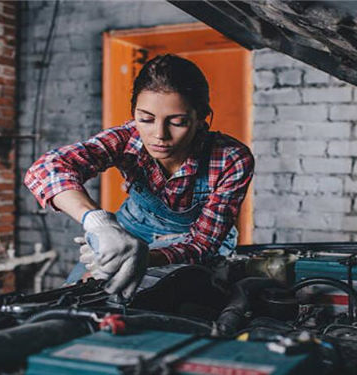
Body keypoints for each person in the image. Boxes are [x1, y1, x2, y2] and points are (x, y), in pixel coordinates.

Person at [25, 54, 254, 299]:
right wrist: (99, 224)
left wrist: (145, 257)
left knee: (163, 300)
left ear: (201, 119)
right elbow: (48, 168)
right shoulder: (127, 139)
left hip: (194, 242)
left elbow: (202, 244)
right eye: (146, 119)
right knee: (78, 296)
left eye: (178, 122)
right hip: (130, 231)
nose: (159, 135)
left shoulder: (231, 159)